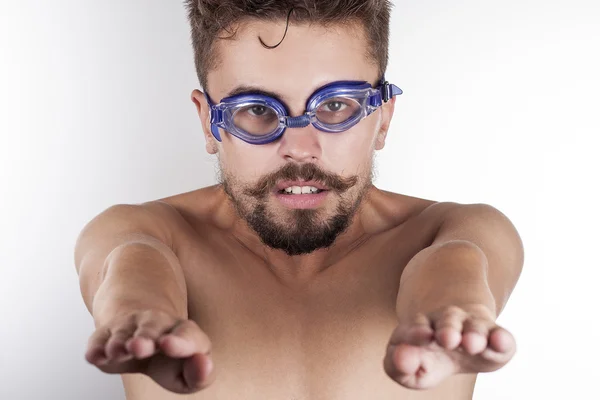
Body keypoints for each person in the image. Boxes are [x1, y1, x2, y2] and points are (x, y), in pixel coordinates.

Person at [74, 1, 524, 399]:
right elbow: (131, 264)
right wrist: (140, 314)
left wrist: (452, 313)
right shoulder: (143, 232)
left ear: (382, 119)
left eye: (335, 106)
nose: (300, 147)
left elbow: (457, 262)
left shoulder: (456, 231)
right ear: (209, 123)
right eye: (256, 109)